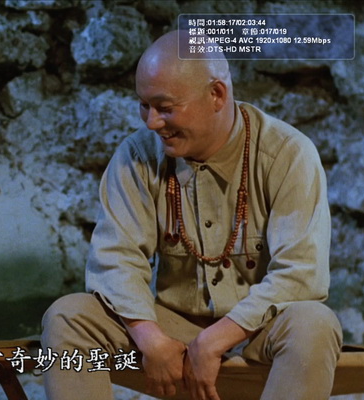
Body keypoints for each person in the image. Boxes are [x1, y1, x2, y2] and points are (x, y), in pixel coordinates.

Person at [42, 30, 342, 400]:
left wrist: (216, 340)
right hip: (170, 331)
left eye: (165, 108)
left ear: (217, 95)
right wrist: (150, 339)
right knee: (69, 316)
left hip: (257, 330)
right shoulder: (136, 156)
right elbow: (116, 260)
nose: (152, 122)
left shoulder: (287, 154)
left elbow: (300, 273)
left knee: (314, 324)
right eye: (144, 106)